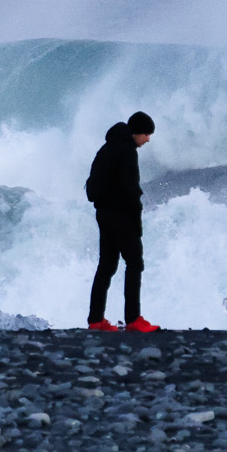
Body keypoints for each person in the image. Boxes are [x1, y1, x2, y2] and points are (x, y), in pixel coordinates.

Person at [85, 110, 160, 332]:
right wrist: (136, 220)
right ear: (137, 132)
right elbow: (130, 189)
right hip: (121, 215)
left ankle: (96, 320)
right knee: (135, 263)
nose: (148, 139)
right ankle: (133, 319)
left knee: (107, 265)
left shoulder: (107, 147)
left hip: (104, 213)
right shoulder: (127, 151)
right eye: (146, 134)